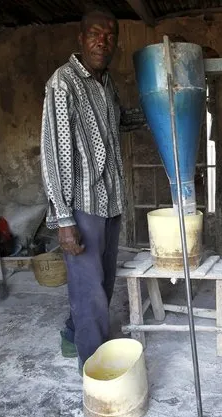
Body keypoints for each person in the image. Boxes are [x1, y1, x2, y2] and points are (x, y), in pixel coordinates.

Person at [39, 4, 146, 371]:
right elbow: (52, 156)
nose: (104, 41)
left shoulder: (105, 83)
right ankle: (97, 369)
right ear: (81, 38)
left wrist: (158, 105)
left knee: (101, 281)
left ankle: (73, 334)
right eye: (96, 34)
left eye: (110, 35)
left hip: (110, 200)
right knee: (91, 292)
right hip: (81, 205)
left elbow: (121, 122)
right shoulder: (63, 83)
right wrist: (63, 220)